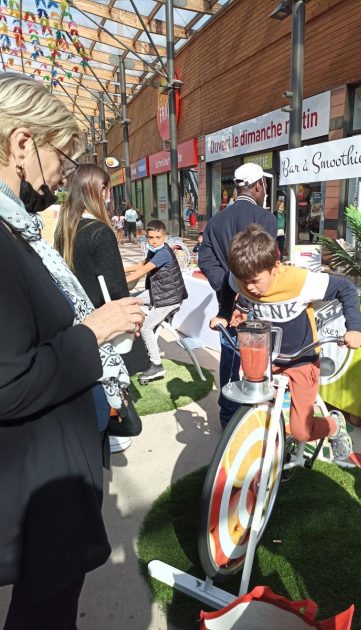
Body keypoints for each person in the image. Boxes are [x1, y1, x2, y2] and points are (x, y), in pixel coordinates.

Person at [0, 72, 145, 629]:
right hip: (38, 481)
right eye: (62, 152)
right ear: (21, 142)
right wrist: (94, 332)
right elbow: (9, 380)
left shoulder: (21, 228)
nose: (65, 170)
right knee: (45, 612)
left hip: (47, 468)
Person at [211, 225, 361, 460]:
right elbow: (228, 287)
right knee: (258, 412)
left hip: (302, 358)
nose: (249, 288)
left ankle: (333, 425)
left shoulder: (299, 280)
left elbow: (345, 288)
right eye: (244, 282)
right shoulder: (240, 278)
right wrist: (224, 312)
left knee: (302, 430)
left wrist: (353, 328)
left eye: (254, 281)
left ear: (275, 267)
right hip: (266, 358)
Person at [54, 164, 148, 454]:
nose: (109, 195)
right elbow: (117, 288)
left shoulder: (65, 229)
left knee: (97, 376)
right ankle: (113, 424)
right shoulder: (99, 231)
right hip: (106, 318)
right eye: (106, 188)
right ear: (99, 190)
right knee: (113, 376)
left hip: (79, 319)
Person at [199, 162, 277, 429]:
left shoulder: (216, 220)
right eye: (264, 186)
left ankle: (228, 416)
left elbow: (205, 261)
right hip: (257, 305)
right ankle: (256, 414)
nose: (264, 190)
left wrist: (226, 289)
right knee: (261, 359)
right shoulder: (265, 219)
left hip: (228, 306)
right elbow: (265, 265)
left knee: (231, 359)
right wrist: (240, 298)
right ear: (258, 186)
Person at [125, 220, 188, 382]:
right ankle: (142, 346)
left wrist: (121, 280)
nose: (153, 241)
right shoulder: (155, 250)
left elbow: (142, 271)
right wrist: (121, 269)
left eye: (157, 237)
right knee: (130, 299)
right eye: (150, 237)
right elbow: (143, 264)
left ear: (164, 237)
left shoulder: (163, 253)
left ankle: (156, 365)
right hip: (160, 292)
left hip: (169, 298)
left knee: (146, 327)